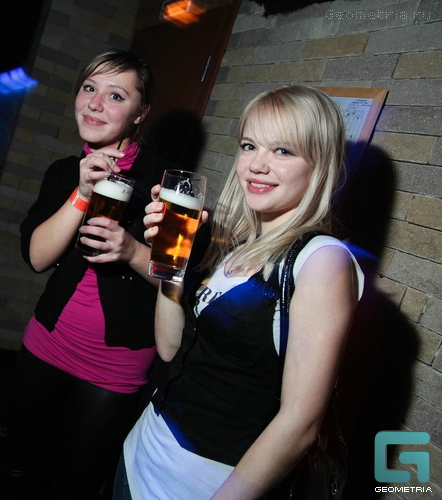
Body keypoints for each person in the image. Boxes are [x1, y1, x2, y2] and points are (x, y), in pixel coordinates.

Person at [115, 85, 365, 499]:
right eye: (249, 146)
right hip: (139, 453)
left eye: (283, 150)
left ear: (319, 164)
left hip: (195, 487)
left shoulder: (322, 261)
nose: (257, 165)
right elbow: (170, 348)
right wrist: (172, 260)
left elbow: (300, 425)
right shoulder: (238, 246)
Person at [0, 49, 179, 500]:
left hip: (115, 366)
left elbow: (178, 281)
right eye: (89, 88)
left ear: (141, 112)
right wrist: (81, 192)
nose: (95, 104)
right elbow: (37, 258)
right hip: (46, 342)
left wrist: (132, 251)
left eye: (116, 95)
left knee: (76, 484)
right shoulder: (64, 172)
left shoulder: (169, 186)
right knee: (17, 466)